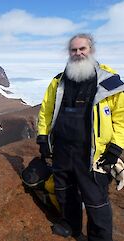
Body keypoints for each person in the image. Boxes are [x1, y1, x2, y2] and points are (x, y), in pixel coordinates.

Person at [36, 33, 124, 241]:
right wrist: (42, 137)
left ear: (91, 50)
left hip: (93, 153)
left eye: (82, 49)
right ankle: (71, 225)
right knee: (64, 190)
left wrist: (116, 147)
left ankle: (100, 238)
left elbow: (121, 118)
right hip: (63, 150)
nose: (78, 53)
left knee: (96, 200)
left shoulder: (109, 83)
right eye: (73, 50)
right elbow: (46, 111)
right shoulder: (58, 81)